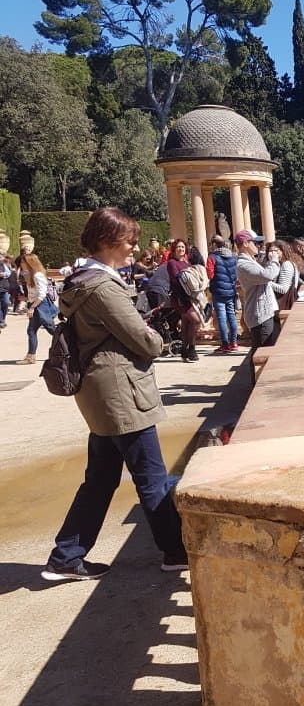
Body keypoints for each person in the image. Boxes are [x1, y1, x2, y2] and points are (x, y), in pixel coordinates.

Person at [40, 206, 187, 581]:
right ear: (107, 242)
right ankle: (175, 551)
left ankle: (66, 556)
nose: (134, 249)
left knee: (101, 480)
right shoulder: (104, 287)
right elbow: (144, 341)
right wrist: (157, 336)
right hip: (122, 397)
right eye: (129, 242)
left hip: (101, 396)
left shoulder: (80, 280)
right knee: (152, 478)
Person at [234, 229, 280, 349]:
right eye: (255, 243)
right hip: (259, 315)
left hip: (263, 313)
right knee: (261, 353)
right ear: (245, 243)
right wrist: (274, 261)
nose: (259, 246)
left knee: (262, 352)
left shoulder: (250, 261)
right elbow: (267, 275)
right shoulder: (243, 264)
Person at [14, 252, 58, 365]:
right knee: (33, 330)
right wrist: (26, 298)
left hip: (40, 305)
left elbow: (42, 294)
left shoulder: (37, 275)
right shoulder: (30, 275)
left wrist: (32, 307)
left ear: (29, 263)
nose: (21, 264)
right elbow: (35, 293)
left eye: (23, 262)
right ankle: (30, 356)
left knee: (51, 329)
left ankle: (73, 346)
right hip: (35, 304)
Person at [165, 239, 202, 363]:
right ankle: (192, 348)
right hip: (180, 297)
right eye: (178, 247)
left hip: (190, 297)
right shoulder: (171, 263)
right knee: (195, 319)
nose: (181, 249)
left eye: (183, 247)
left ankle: (185, 350)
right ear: (174, 249)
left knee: (187, 323)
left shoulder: (187, 263)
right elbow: (176, 279)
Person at [208, 235, 238, 353]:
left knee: (221, 316)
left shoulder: (212, 257)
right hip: (230, 290)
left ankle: (225, 343)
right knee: (231, 315)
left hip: (218, 290)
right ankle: (234, 342)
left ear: (214, 244)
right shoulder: (233, 257)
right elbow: (236, 274)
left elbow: (210, 274)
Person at [267, 240, 298, 312]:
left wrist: (265, 282)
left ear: (283, 251)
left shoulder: (286, 265)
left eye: (275, 251)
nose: (271, 253)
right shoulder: (280, 264)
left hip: (283, 304)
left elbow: (283, 289)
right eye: (270, 251)